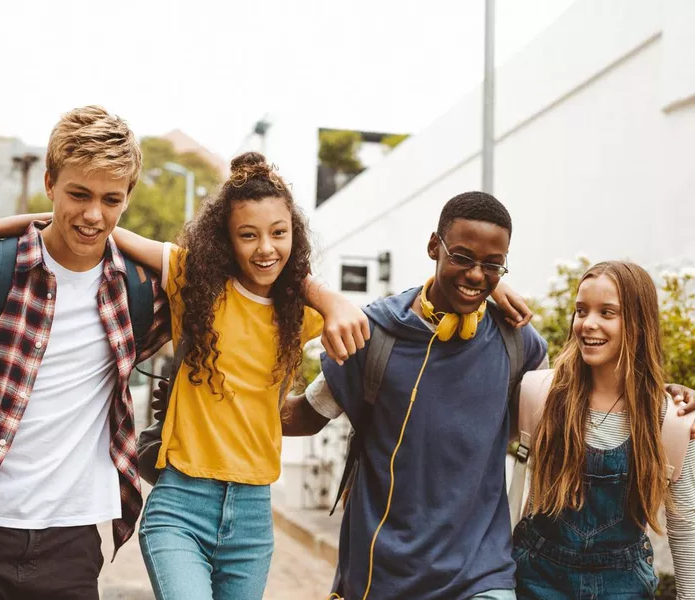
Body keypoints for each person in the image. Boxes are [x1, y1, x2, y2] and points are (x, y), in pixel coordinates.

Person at [0, 150, 375, 600]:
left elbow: (364, 324)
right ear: (225, 239)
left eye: (279, 232)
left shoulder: (299, 312)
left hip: (252, 513)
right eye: (248, 234)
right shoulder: (193, 283)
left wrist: (329, 300)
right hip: (181, 500)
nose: (266, 247)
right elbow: (87, 228)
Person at [281, 192, 695, 600]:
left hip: (485, 575)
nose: (477, 274)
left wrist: (664, 398)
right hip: (389, 572)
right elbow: (304, 414)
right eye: (462, 257)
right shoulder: (375, 336)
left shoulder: (522, 348)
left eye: (493, 264)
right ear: (433, 247)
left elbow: (584, 398)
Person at [0, 105, 172, 599]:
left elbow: (237, 273)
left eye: (111, 199)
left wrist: (326, 302)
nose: (93, 215)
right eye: (78, 194)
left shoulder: (139, 295)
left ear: (127, 198)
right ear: (49, 182)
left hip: (70, 545)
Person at [512, 261, 695, 599]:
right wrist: (496, 286)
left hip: (624, 585)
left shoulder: (671, 418)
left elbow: (685, 525)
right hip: (537, 577)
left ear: (638, 325)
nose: (588, 324)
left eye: (607, 312)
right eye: (581, 311)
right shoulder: (543, 395)